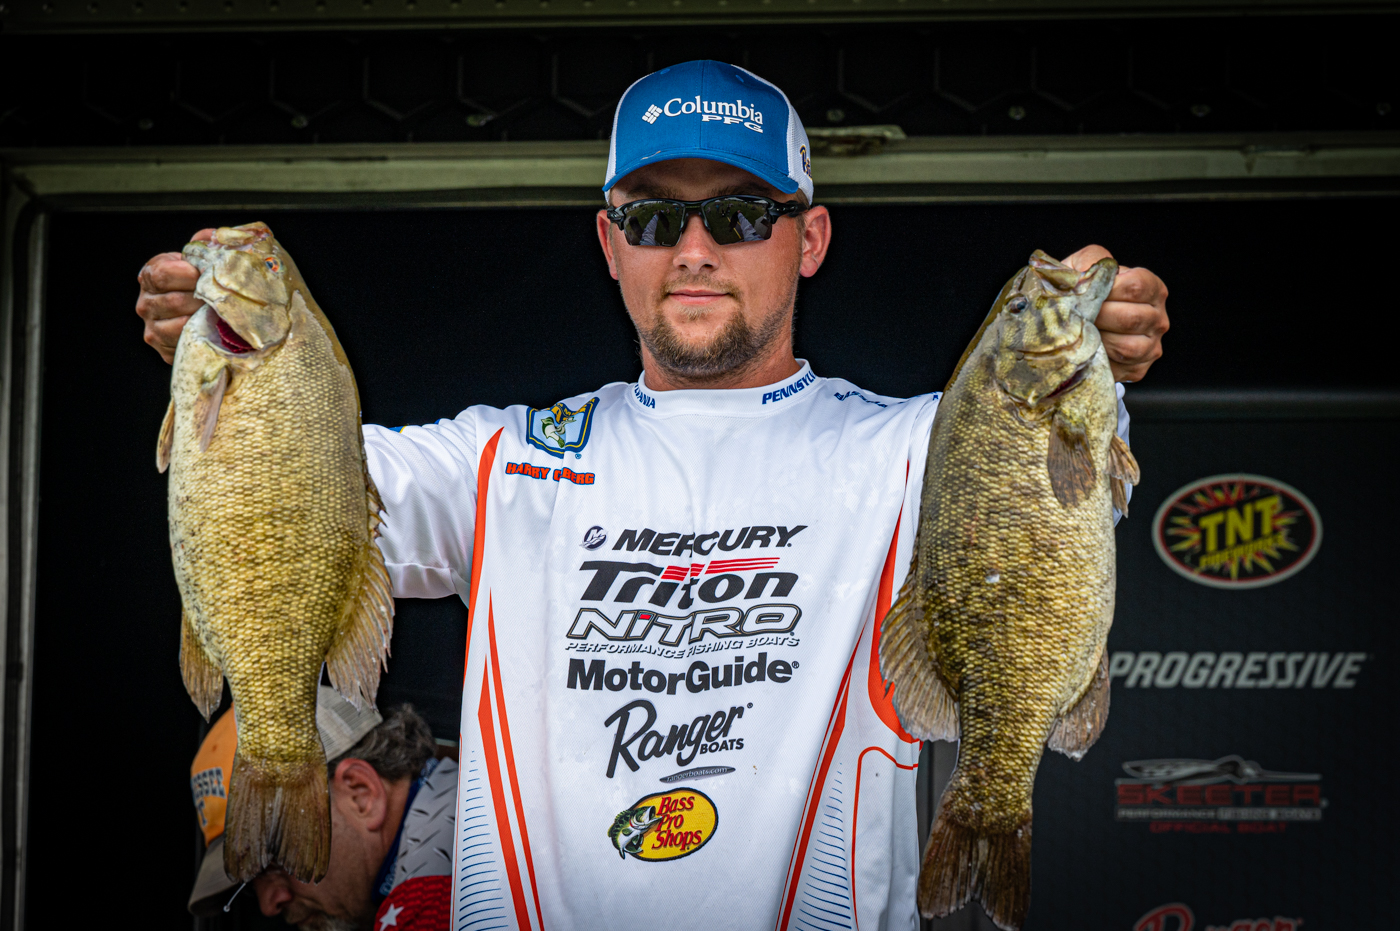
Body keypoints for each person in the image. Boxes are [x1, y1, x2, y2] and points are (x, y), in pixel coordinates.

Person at [144, 60, 1168, 930]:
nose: (693, 248)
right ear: (609, 244)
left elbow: (1046, 475)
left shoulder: (911, 449)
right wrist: (228, 372)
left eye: (740, 214)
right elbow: (292, 480)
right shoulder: (497, 459)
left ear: (809, 238)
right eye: (652, 217)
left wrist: (1100, 336)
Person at [188, 687, 457, 930]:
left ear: (361, 795)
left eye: (275, 862)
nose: (269, 904)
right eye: (248, 885)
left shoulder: (440, 905)